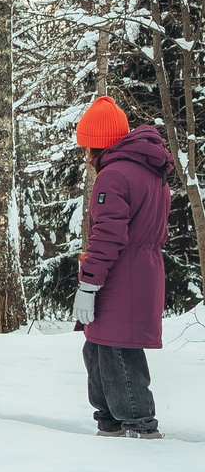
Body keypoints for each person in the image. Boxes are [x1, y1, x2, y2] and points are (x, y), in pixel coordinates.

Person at [72, 95, 170, 438]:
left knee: (116, 348)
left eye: (87, 145)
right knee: (98, 345)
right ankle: (109, 421)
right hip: (139, 270)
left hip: (123, 273)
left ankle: (139, 427)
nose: (85, 155)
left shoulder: (114, 175)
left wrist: (88, 284)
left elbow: (108, 236)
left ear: (97, 143)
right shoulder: (146, 170)